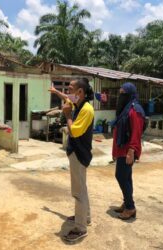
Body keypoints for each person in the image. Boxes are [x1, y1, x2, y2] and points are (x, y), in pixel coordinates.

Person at [61, 78, 95, 242]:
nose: (68, 93)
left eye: (70, 89)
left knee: (78, 191)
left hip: (79, 153)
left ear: (80, 92)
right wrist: (57, 93)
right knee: (82, 187)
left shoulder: (86, 110)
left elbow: (74, 131)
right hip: (78, 152)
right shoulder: (79, 104)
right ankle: (85, 216)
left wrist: (67, 114)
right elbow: (67, 100)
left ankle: (80, 227)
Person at [112, 82, 145, 220]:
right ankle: (127, 204)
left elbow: (136, 133)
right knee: (126, 177)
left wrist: (132, 151)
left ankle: (130, 207)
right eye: (120, 93)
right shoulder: (126, 109)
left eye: (123, 94)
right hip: (122, 149)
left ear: (130, 94)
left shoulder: (135, 110)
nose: (121, 96)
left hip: (128, 150)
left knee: (121, 176)